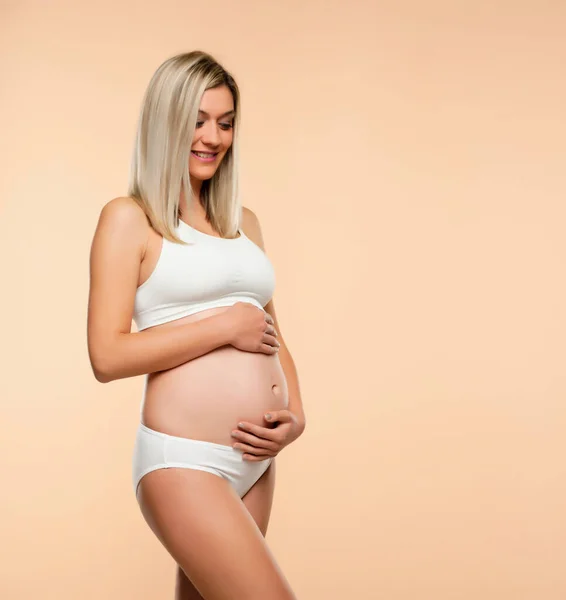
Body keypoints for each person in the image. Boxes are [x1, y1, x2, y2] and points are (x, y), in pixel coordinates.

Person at [87, 51, 306, 600]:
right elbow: (107, 356)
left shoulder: (242, 223)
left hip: (254, 460)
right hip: (184, 459)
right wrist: (222, 327)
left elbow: (269, 329)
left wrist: (296, 413)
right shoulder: (128, 218)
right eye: (198, 120)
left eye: (225, 122)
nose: (213, 137)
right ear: (166, 120)